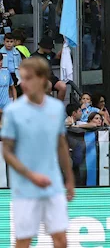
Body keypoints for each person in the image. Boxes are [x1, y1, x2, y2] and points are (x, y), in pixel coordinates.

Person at [1, 57, 76, 248]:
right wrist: (31, 175)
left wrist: (69, 179)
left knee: (61, 240)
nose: (22, 84)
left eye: (27, 78)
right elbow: (7, 152)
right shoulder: (12, 111)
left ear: (42, 79)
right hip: (25, 188)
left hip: (53, 185)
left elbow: (60, 145)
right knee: (24, 242)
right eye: (21, 79)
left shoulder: (57, 108)